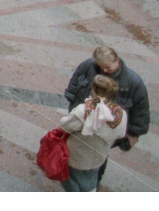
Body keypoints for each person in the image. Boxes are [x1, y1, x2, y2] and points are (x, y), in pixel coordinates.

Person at [64, 46, 150, 184]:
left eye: (108, 67)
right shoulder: (87, 66)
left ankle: (91, 184)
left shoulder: (134, 82)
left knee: (97, 161)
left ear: (117, 61)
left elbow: (141, 110)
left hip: (104, 135)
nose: (104, 70)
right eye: (101, 66)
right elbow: (75, 84)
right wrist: (75, 106)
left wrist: (133, 135)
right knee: (75, 157)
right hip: (82, 127)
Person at [59, 74, 126, 192]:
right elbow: (120, 134)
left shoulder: (84, 110)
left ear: (93, 89)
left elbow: (65, 126)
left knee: (69, 179)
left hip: (76, 156)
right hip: (98, 157)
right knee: (90, 181)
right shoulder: (120, 114)